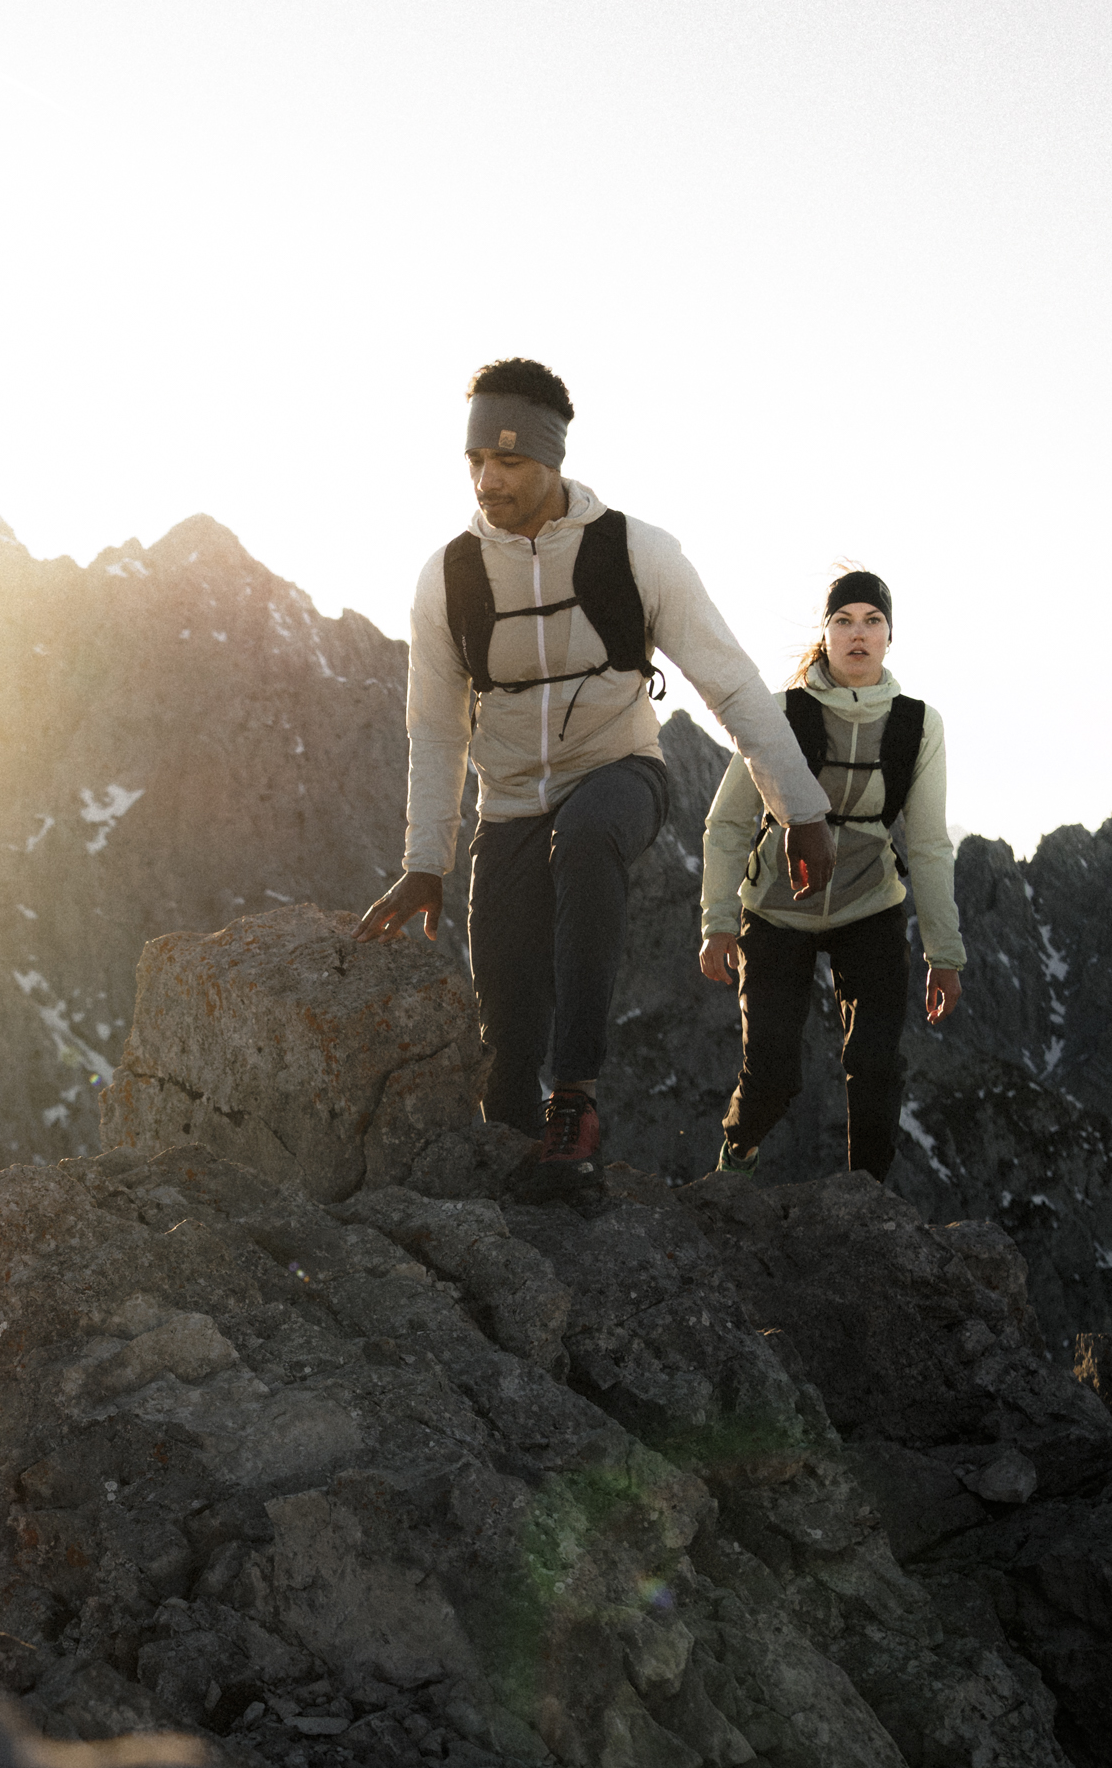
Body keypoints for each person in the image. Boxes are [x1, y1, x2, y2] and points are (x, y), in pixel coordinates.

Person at [354, 359, 836, 1198]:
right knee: (505, 1028)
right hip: (507, 805)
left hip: (620, 775)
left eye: (507, 462)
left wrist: (800, 808)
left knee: (583, 839)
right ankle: (514, 1153)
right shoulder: (449, 577)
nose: (487, 480)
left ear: (553, 459)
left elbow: (729, 681)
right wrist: (425, 859)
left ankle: (575, 1104)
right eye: (474, 461)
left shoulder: (637, 553)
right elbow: (435, 728)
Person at [694, 569, 962, 1180]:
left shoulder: (918, 725)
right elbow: (728, 824)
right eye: (843, 621)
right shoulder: (779, 714)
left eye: (872, 621)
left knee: (874, 1066)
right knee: (772, 1078)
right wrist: (717, 923)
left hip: (870, 905)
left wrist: (944, 954)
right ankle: (738, 1155)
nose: (857, 634)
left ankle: (864, 1204)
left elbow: (926, 844)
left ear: (891, 637)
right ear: (826, 633)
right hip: (776, 909)